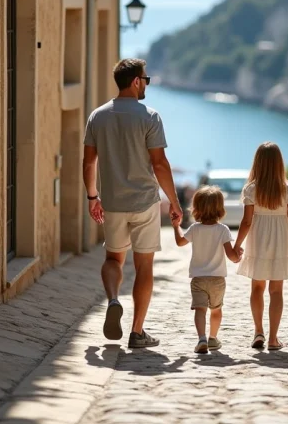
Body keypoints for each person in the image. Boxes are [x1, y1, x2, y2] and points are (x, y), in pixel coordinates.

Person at [83, 58, 182, 348]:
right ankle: (137, 332)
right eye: (146, 80)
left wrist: (93, 196)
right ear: (136, 81)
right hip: (145, 203)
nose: (146, 84)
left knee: (113, 259)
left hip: (112, 202)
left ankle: (114, 299)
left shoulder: (97, 117)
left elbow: (89, 161)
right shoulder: (150, 116)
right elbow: (160, 164)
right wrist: (174, 201)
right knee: (144, 267)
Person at [233, 143, 288, 351]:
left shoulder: (251, 189)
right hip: (281, 240)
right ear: (278, 164)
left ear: (258, 163)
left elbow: (246, 222)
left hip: (258, 239)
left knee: (257, 288)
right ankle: (274, 339)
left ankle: (258, 332)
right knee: (276, 290)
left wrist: (237, 245)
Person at [171, 186, 242, 354]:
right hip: (217, 279)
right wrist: (238, 255)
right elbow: (231, 256)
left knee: (200, 310)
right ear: (220, 208)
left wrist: (176, 226)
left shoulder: (195, 228)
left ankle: (201, 338)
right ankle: (213, 338)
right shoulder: (223, 230)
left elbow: (180, 242)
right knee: (216, 310)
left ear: (196, 208)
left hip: (198, 279)